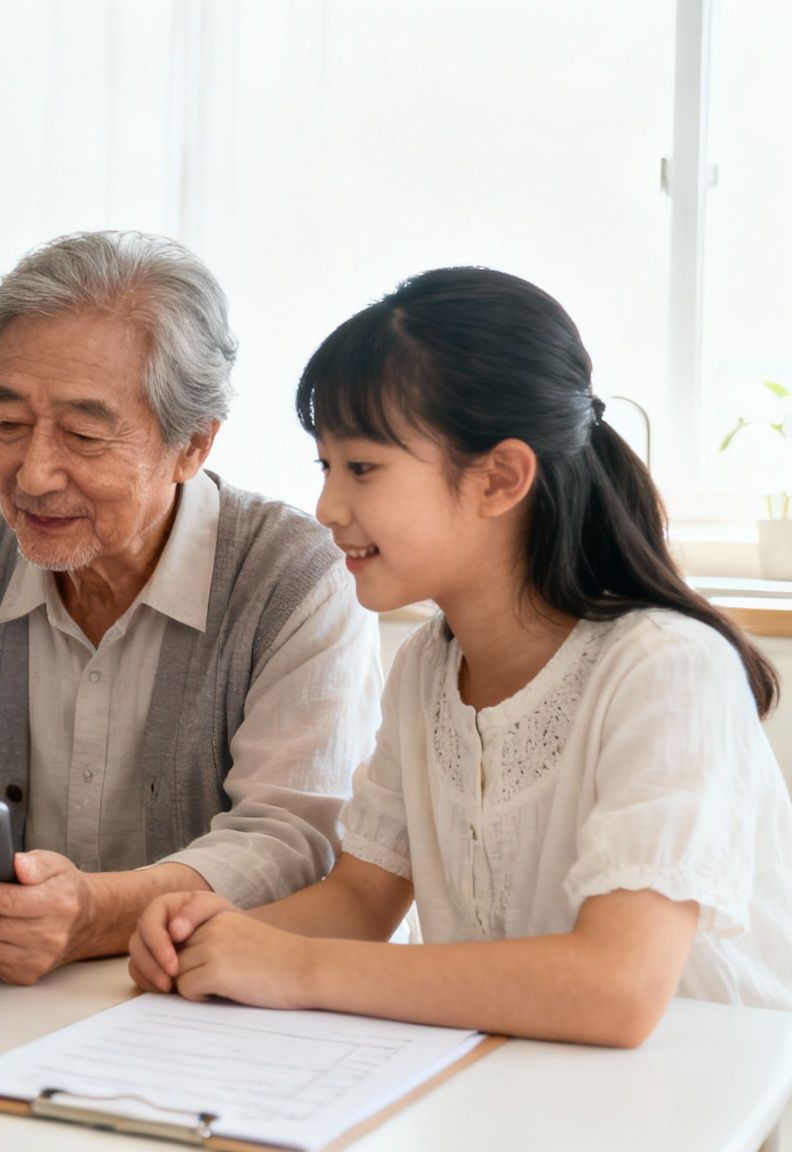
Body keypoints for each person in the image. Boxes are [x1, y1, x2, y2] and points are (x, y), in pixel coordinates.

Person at [129, 267, 792, 1045]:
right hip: (515, 1093)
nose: (327, 507)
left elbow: (617, 989)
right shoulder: (425, 669)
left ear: (501, 477)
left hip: (703, 1107)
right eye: (325, 466)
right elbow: (361, 901)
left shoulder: (668, 669)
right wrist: (210, 938)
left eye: (363, 468)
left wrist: (292, 967)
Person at [0, 230, 382, 984]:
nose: (33, 474)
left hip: (201, 1004)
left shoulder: (297, 576)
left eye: (83, 434)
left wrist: (94, 914)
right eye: (8, 425)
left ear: (192, 445)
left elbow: (291, 838)